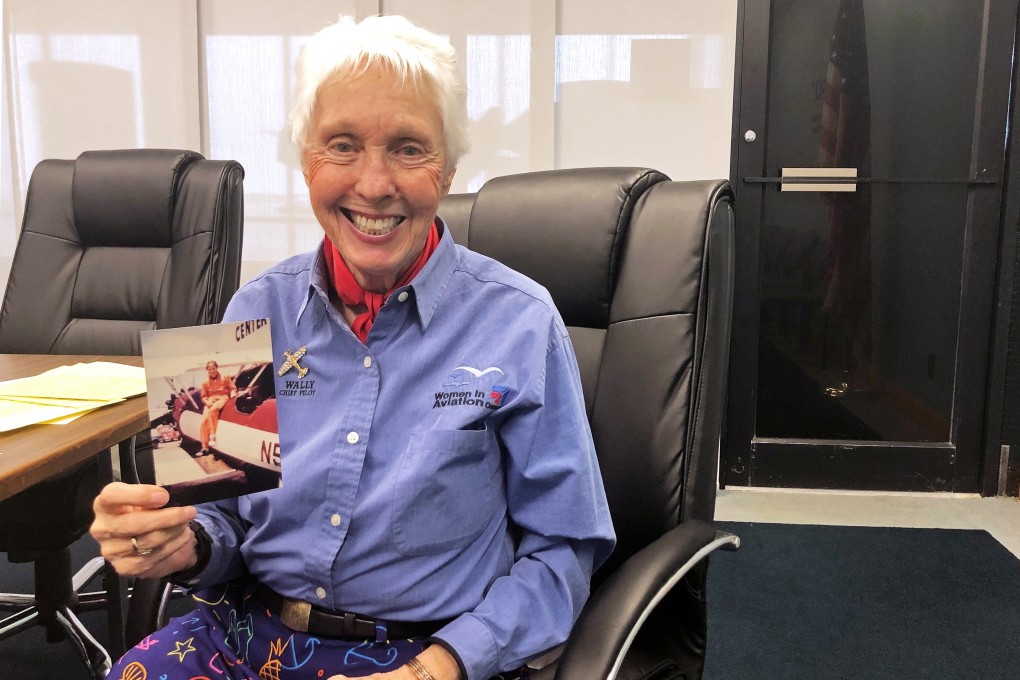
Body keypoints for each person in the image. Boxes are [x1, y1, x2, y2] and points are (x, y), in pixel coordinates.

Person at [90, 14, 614, 680]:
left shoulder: (523, 320)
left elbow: (565, 551)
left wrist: (438, 669)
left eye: (408, 148)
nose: (372, 184)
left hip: (422, 655)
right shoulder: (250, 308)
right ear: (306, 160)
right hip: (242, 634)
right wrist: (177, 541)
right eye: (341, 146)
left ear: (448, 168)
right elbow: (215, 521)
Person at [197, 359, 237, 455]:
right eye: (209, 369)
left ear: (217, 368)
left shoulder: (225, 377)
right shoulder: (205, 383)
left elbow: (232, 388)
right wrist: (207, 402)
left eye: (213, 368)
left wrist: (233, 394)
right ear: (207, 370)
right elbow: (203, 396)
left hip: (222, 397)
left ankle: (212, 435)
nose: (212, 371)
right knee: (203, 422)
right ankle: (204, 447)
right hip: (210, 400)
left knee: (213, 411)